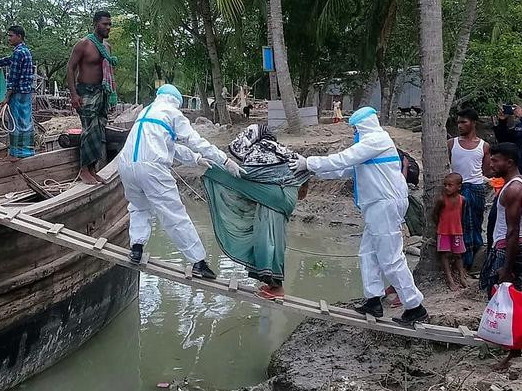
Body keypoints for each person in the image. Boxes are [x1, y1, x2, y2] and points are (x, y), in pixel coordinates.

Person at [289, 106, 427, 326]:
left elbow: (345, 159)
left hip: (384, 204)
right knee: (368, 253)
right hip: (377, 205)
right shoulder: (370, 147)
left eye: (354, 128)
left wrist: (310, 161)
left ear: (362, 126)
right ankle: (373, 299)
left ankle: (414, 306)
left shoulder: (376, 141)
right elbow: (344, 170)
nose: (354, 132)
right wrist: (311, 169)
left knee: (390, 259)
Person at [118, 84, 244, 279]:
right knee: (174, 215)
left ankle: (136, 248)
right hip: (153, 168)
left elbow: (167, 145)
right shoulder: (172, 113)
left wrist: (195, 159)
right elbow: (195, 140)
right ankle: (198, 262)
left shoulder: (146, 111)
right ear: (176, 101)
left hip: (126, 166)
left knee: (138, 207)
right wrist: (225, 160)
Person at [202, 124, 310, 299]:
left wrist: (215, 170)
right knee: (269, 234)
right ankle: (272, 286)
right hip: (286, 197)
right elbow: (305, 175)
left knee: (225, 175)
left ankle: (277, 288)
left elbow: (246, 175)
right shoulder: (281, 149)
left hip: (276, 196)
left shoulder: (258, 150)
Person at [478, 142, 522, 370]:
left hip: (510, 250)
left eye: (496, 160)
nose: (491, 163)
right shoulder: (508, 185)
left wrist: (507, 267)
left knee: (510, 300)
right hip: (504, 247)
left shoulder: (514, 189)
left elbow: (514, 231)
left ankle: (512, 352)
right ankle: (510, 347)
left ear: (510, 163)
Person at [67, 10, 118, 185]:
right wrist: (74, 94)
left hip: (102, 93)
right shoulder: (84, 44)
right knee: (89, 130)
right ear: (96, 23)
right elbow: (70, 68)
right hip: (85, 92)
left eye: (110, 24)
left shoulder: (107, 47)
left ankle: (93, 169)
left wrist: (111, 95)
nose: (108, 27)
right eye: (105, 24)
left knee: (99, 130)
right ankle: (83, 170)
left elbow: (110, 72)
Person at [448, 108, 491, 269]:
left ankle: (476, 262)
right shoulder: (452, 143)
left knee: (476, 224)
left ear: (473, 123)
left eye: (463, 122)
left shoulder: (483, 146)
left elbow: (486, 170)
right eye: (458, 122)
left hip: (476, 188)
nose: (460, 125)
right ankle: (463, 262)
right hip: (457, 189)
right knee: (460, 225)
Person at [0, 25, 34, 161]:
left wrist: (6, 97)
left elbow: (13, 79)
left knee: (16, 123)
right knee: (25, 122)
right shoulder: (25, 51)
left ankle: (16, 153)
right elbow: (9, 60)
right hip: (26, 92)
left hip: (18, 93)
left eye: (11, 35)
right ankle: (27, 151)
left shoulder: (18, 52)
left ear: (19, 36)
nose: (9, 38)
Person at [433, 173, 468, 291]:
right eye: (445, 185)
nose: (447, 187)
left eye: (450, 185)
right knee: (445, 255)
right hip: (444, 232)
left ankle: (462, 277)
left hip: (457, 231)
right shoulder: (441, 200)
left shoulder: (462, 200)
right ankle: (450, 280)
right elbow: (435, 214)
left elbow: (462, 215)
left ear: (458, 187)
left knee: (458, 255)